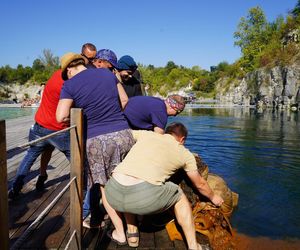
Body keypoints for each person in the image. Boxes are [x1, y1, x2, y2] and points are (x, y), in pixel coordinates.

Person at [105, 122, 224, 249]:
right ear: (182, 139)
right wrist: (214, 197)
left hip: (112, 193)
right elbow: (200, 184)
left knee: (127, 183)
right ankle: (194, 246)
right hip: (143, 198)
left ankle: (127, 233)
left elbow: (123, 135)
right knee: (179, 196)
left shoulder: (147, 135)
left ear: (167, 132)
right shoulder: (184, 153)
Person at [56, 52, 134, 242]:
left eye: (67, 74)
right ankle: (133, 230)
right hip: (124, 134)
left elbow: (61, 117)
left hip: (98, 141)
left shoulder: (70, 84)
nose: (68, 77)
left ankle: (120, 233)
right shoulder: (107, 74)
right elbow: (124, 101)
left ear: (69, 69)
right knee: (125, 182)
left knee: (104, 188)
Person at [8, 70, 70, 199]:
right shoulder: (70, 84)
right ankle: (87, 192)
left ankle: (17, 188)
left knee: (31, 156)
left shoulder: (55, 75)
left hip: (40, 126)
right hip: (58, 130)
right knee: (77, 160)